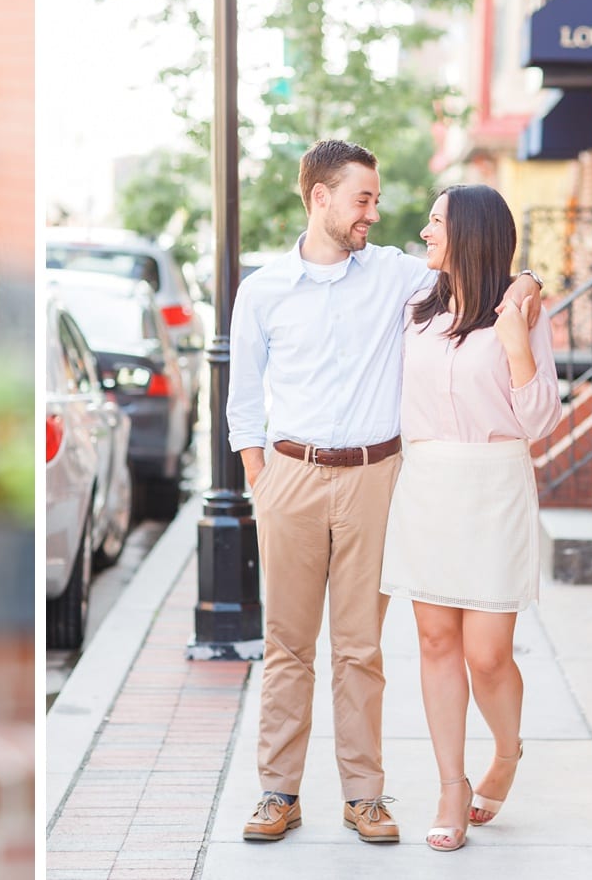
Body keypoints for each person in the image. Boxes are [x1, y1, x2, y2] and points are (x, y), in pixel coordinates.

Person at [226, 138, 541, 848]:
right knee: (287, 644)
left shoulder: (397, 275)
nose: (374, 211)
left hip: (377, 477)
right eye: (362, 198)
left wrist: (528, 283)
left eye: (375, 198)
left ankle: (364, 795)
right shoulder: (264, 289)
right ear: (320, 198)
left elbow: (486, 270)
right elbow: (242, 394)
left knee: (361, 647)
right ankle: (279, 789)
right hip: (290, 474)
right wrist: (258, 475)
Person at [378, 185, 561, 853]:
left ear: (472, 234)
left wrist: (516, 342)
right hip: (427, 482)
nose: (425, 230)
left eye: (437, 221)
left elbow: (540, 420)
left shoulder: (522, 311)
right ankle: (451, 784)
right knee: (433, 642)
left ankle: (506, 754)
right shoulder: (415, 305)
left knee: (488, 653)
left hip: (495, 483)